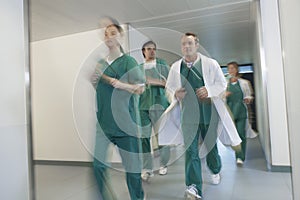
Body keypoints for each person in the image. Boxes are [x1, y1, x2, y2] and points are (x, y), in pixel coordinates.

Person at [164, 32, 241, 199]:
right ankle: (193, 187)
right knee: (191, 151)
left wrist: (209, 90)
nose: (187, 46)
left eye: (190, 43)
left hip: (208, 113)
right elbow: (169, 89)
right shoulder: (175, 67)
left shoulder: (210, 64)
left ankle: (214, 169)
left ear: (197, 45)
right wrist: (175, 94)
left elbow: (222, 84)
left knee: (210, 146)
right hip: (188, 115)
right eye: (184, 44)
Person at [92, 23, 145, 200]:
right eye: (106, 34)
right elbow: (100, 90)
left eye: (113, 33)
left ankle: (138, 197)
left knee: (133, 171)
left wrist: (115, 82)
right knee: (98, 166)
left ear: (120, 36)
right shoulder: (100, 63)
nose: (109, 37)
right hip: (104, 123)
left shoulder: (128, 61)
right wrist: (95, 81)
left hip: (125, 124)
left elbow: (140, 88)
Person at [138, 41, 170, 181]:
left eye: (154, 49)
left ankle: (163, 164)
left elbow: (169, 82)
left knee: (161, 137)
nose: (152, 51)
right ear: (143, 51)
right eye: (149, 49)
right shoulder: (138, 67)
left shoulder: (162, 64)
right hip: (143, 106)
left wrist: (151, 81)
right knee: (144, 138)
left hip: (159, 104)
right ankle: (147, 169)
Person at [225, 61, 255, 166]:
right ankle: (237, 153)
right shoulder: (225, 83)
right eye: (229, 69)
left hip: (241, 111)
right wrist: (224, 94)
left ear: (237, 70)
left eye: (232, 68)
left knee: (241, 134)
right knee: (233, 136)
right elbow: (218, 97)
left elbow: (249, 95)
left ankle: (240, 157)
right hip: (230, 112)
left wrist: (248, 99)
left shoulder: (244, 82)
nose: (230, 70)